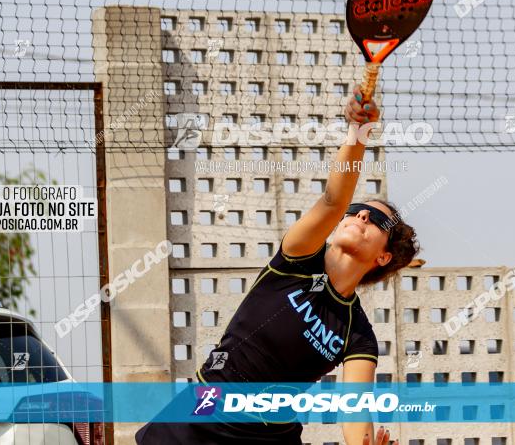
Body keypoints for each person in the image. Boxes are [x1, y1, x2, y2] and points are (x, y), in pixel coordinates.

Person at [136, 85, 421, 445]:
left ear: (384, 256)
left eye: (376, 220)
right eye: (357, 210)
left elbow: (356, 415)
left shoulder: (357, 333)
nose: (361, 213)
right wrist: (358, 132)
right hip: (202, 416)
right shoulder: (297, 260)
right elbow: (335, 200)